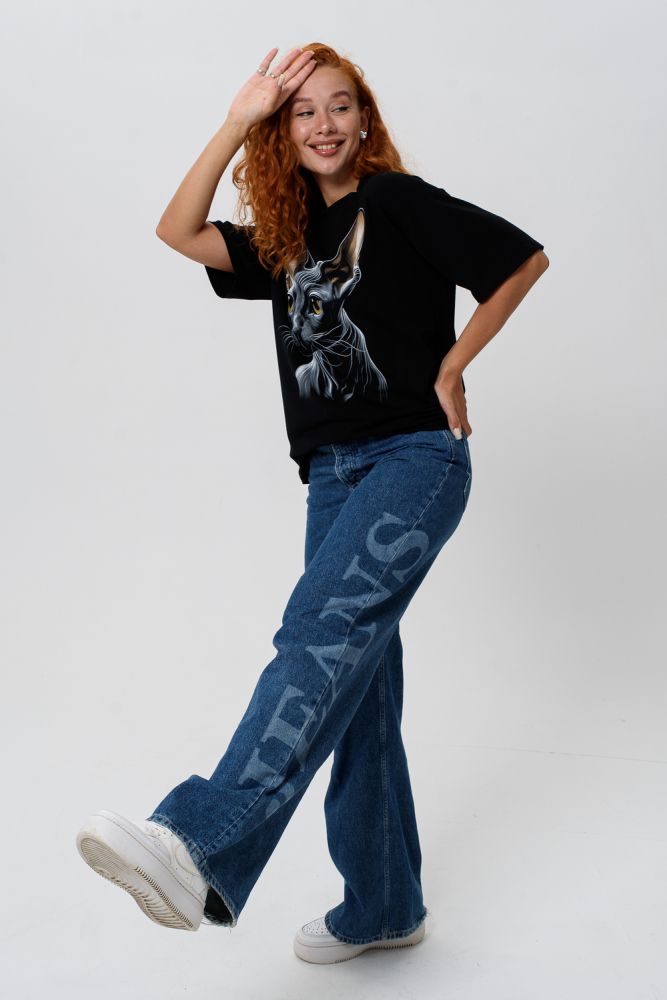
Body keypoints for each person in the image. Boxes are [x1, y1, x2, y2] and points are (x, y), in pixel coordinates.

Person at [75, 42, 549, 965]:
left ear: (364, 120)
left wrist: (454, 365)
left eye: (340, 106)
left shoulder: (396, 201)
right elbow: (177, 229)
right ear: (283, 133)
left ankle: (197, 842)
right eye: (303, 112)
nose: (324, 124)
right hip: (332, 475)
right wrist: (237, 119)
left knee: (318, 639)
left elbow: (520, 261)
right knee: (355, 689)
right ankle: (383, 906)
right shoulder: (286, 240)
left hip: (414, 459)